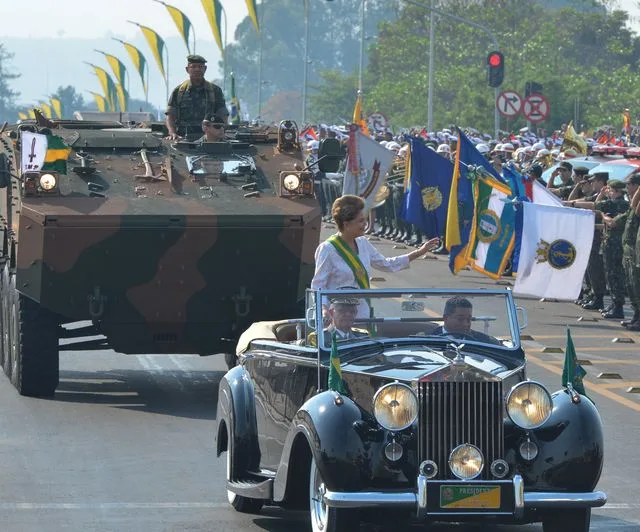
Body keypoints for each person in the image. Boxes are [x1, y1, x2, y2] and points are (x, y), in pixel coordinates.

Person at [311, 195, 440, 320]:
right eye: (360, 221)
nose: (365, 224)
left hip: (362, 314)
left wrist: (419, 252)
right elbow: (318, 285)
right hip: (338, 317)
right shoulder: (328, 249)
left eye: (365, 219)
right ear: (346, 224)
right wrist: (323, 309)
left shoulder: (363, 243)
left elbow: (386, 264)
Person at [165, 55, 228, 140]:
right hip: (183, 139)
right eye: (193, 66)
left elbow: (223, 115)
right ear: (187, 69)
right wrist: (172, 132)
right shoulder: (179, 91)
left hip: (209, 139)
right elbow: (170, 116)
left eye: (200, 67)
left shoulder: (215, 91)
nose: (197, 69)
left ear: (205, 69)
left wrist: (221, 132)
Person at [430, 296, 500, 345]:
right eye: (460, 319)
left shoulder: (485, 341)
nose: (466, 324)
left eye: (469, 319)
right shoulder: (428, 339)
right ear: (446, 318)